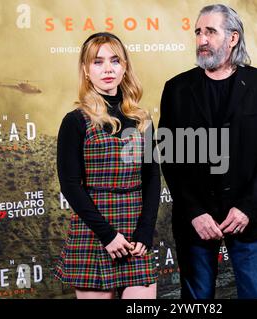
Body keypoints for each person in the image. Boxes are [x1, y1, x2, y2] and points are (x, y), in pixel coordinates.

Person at [158, 4, 257, 299]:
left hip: (250, 219)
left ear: (233, 38)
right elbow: (170, 158)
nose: (202, 39)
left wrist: (247, 208)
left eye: (210, 32)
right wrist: (195, 211)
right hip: (196, 223)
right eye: (198, 32)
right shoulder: (176, 89)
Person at [54, 32, 160, 299]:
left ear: (125, 67)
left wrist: (145, 231)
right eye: (98, 62)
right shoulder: (75, 120)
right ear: (86, 71)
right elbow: (69, 185)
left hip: (135, 232)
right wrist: (108, 235)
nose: (108, 68)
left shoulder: (142, 119)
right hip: (94, 232)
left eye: (115, 60)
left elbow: (152, 178)